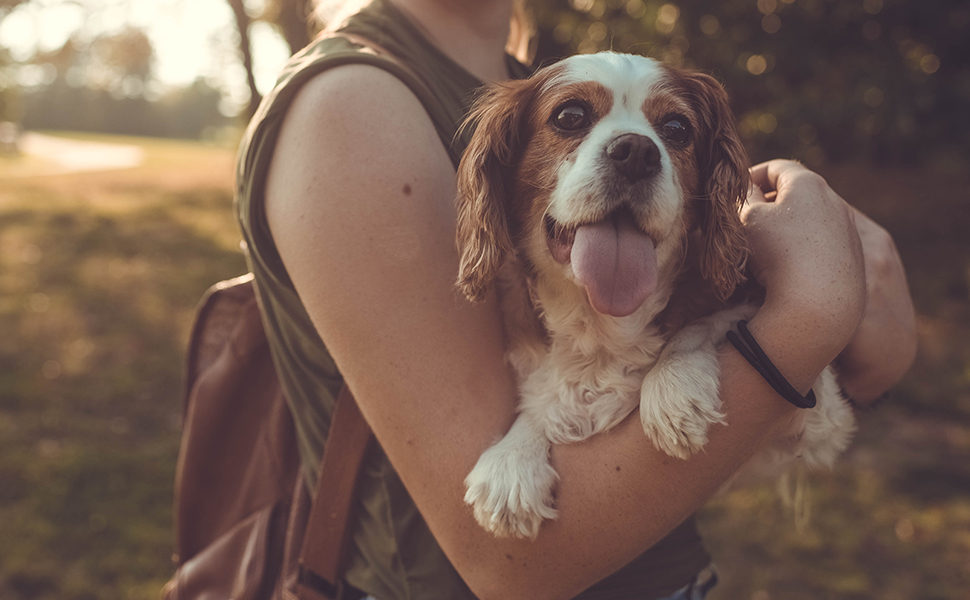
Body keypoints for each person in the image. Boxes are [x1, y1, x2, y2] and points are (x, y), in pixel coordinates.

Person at [235, 0, 918, 598]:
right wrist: (815, 315)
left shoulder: (519, 71)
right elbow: (506, 564)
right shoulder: (352, 101)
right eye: (570, 118)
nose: (635, 148)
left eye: (671, 131)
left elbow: (841, 382)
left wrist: (867, 336)